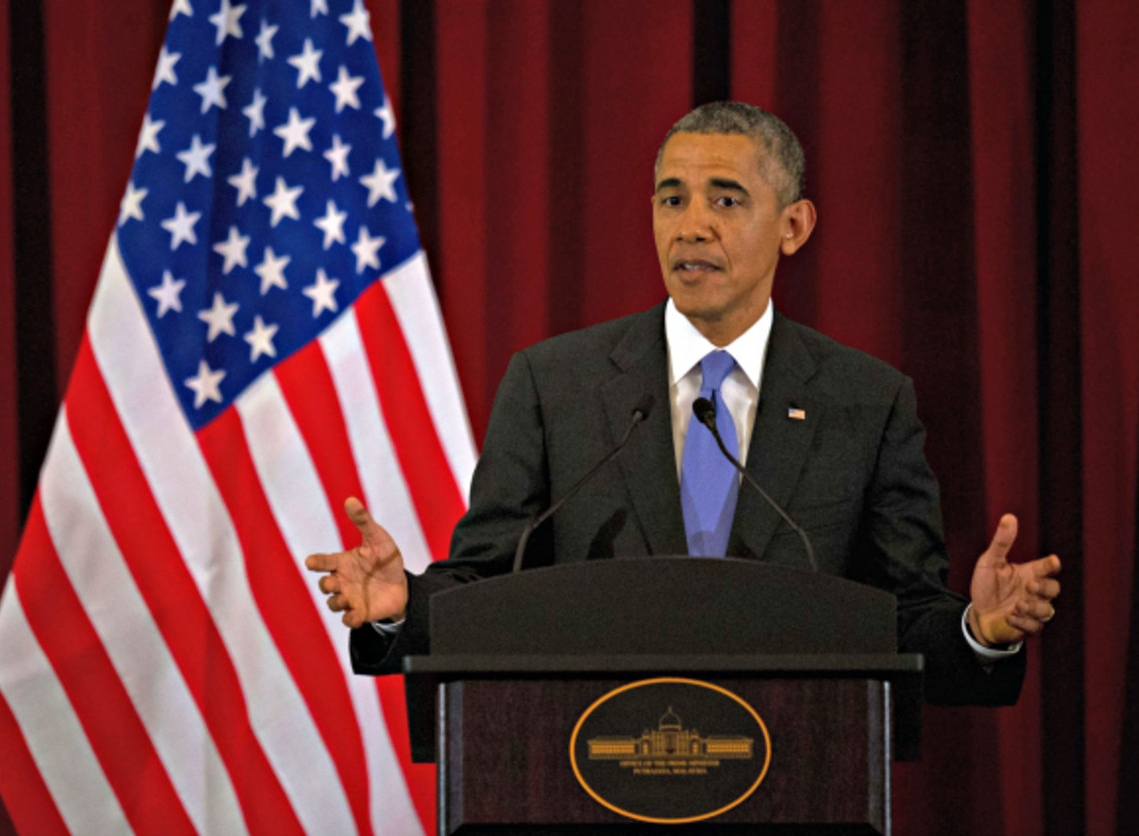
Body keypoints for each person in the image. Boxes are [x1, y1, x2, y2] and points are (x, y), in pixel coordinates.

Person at [305, 102, 1060, 704]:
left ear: (793, 226)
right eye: (673, 198)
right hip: (583, 776)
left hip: (792, 781)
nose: (690, 224)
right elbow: (487, 587)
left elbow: (901, 620)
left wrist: (976, 628)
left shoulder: (867, 403)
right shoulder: (553, 384)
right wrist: (405, 603)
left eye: (725, 200)